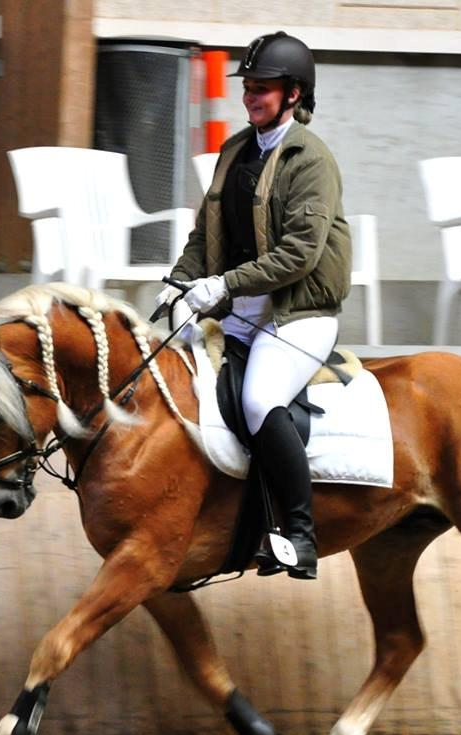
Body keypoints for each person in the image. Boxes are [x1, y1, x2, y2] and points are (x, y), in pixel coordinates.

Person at [157, 31, 352, 580]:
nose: (251, 97)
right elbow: (205, 232)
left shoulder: (311, 160)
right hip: (240, 309)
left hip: (297, 314)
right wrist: (180, 280)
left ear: (294, 94)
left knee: (260, 401)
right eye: (248, 87)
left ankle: (300, 533)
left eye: (263, 89)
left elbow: (300, 253)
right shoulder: (236, 150)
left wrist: (221, 286)